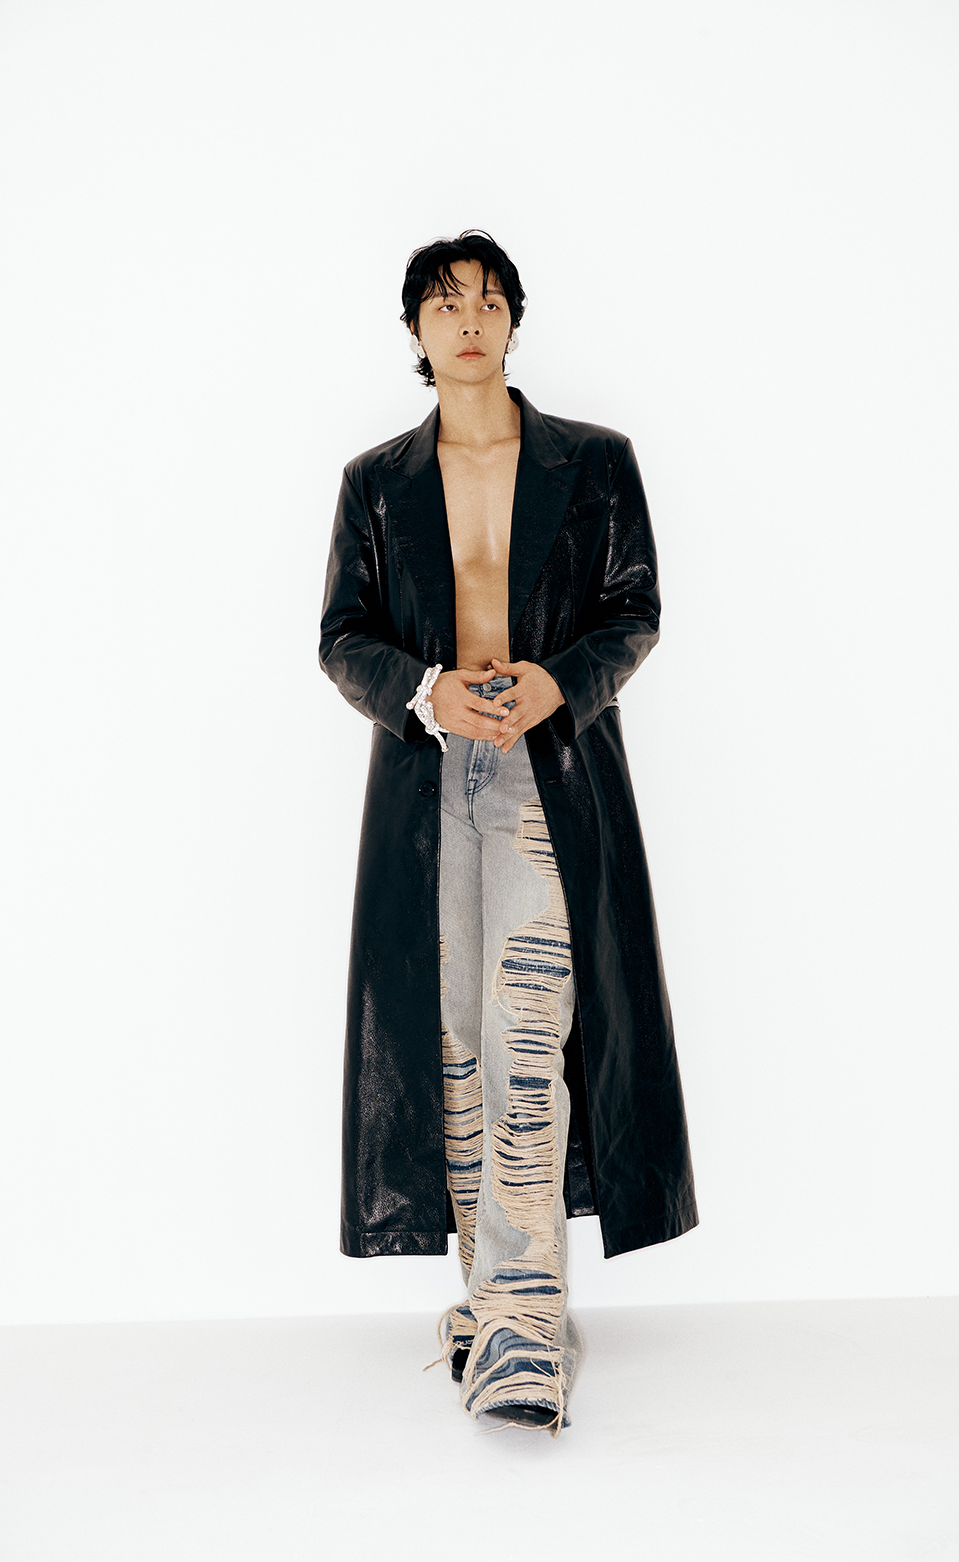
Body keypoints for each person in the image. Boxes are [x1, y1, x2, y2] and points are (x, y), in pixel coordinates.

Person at [319, 230, 697, 1434]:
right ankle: (488, 1292)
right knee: (455, 1043)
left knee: (528, 1030)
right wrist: (428, 691)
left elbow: (634, 609)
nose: (469, 320)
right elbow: (343, 636)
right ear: (416, 332)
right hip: (430, 783)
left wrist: (560, 681)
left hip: (550, 776)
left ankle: (526, 1322)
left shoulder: (595, 461)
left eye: (488, 301)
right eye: (445, 305)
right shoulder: (375, 482)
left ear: (514, 321)